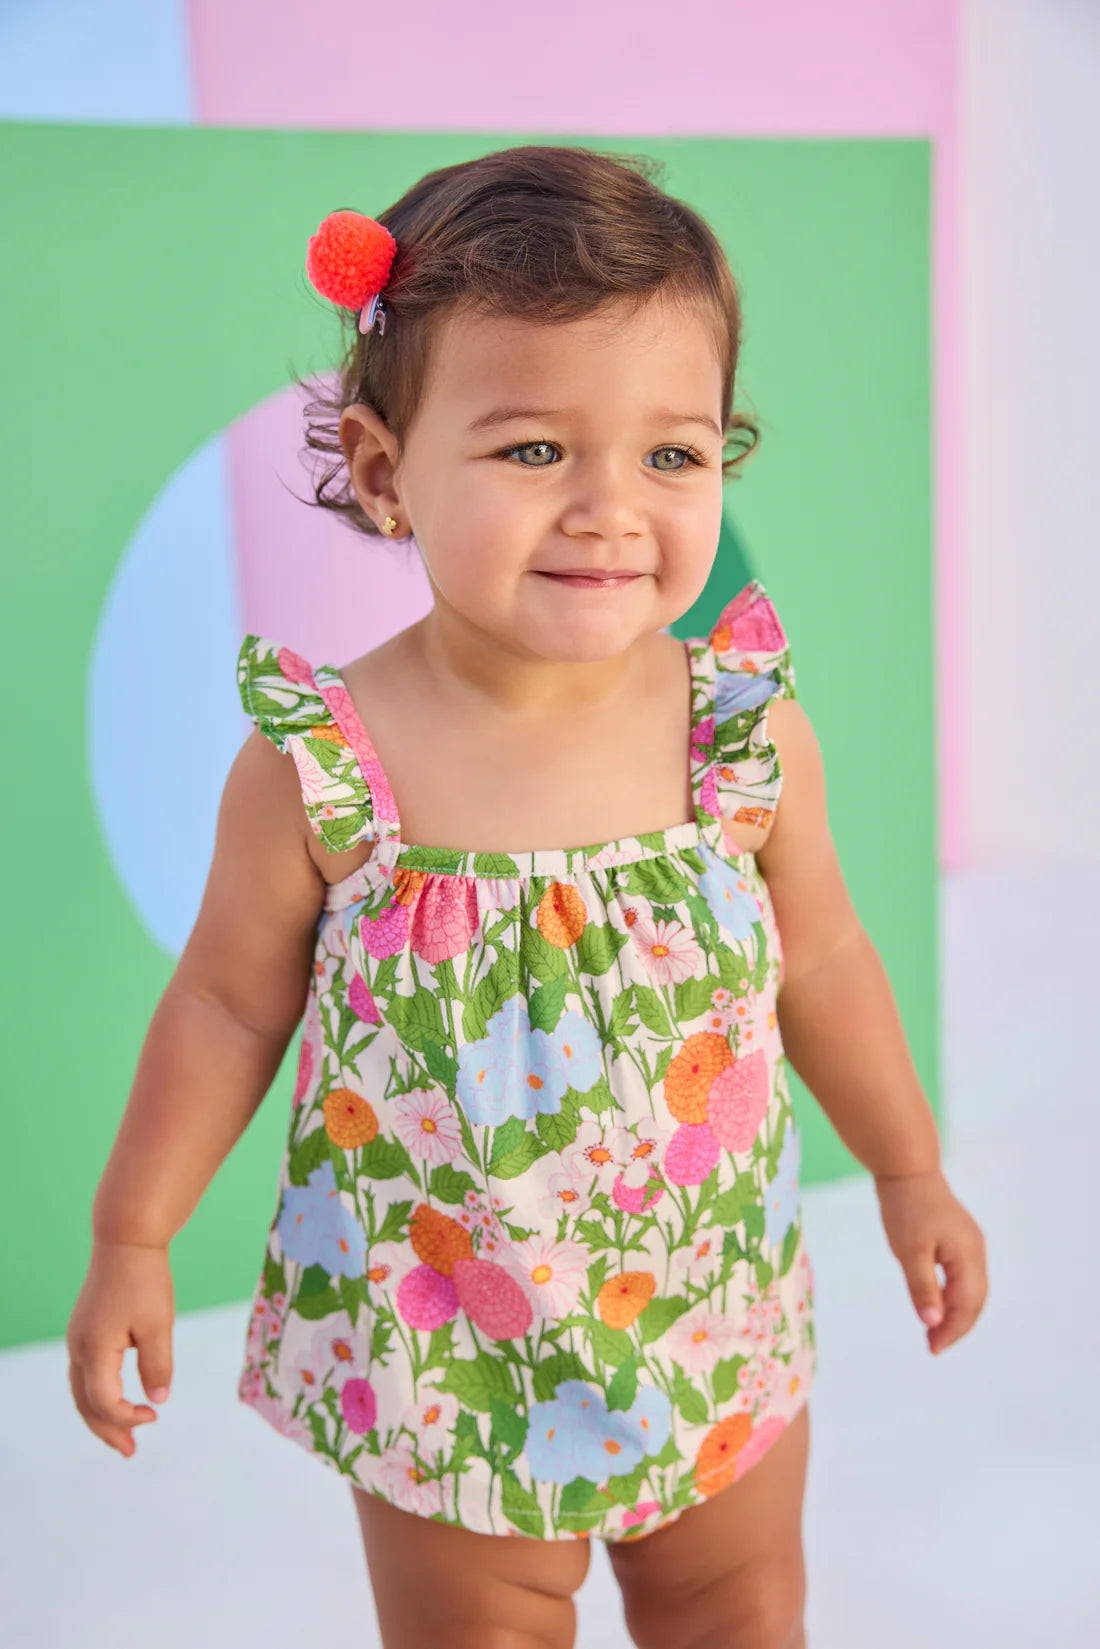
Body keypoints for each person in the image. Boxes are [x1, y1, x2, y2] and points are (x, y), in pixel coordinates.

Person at [66, 144, 988, 1649]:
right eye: (535, 451)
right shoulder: (327, 764)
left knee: (740, 1611)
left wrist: (907, 1169)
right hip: (440, 1346)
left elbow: (821, 958)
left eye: (671, 455)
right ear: (383, 471)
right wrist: (132, 1233)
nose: (611, 510)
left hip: (705, 1308)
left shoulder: (741, 729)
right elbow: (230, 1000)